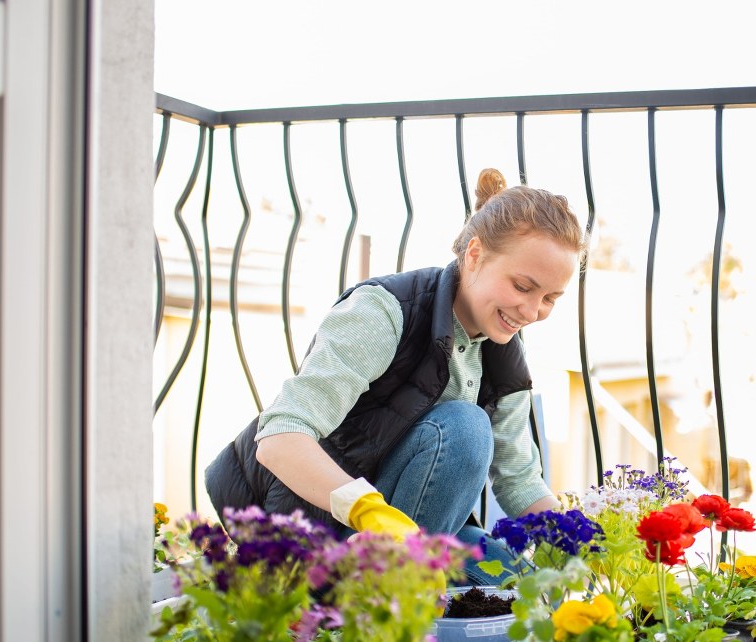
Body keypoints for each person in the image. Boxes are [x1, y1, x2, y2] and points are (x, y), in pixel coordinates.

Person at [204, 167, 586, 585]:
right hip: (317, 522)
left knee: (521, 584)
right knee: (465, 428)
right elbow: (279, 439)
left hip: (410, 525)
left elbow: (520, 482)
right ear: (474, 255)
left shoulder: (504, 357)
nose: (532, 313)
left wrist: (583, 548)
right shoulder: (385, 312)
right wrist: (370, 512)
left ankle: (397, 591)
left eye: (550, 298)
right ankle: (372, 607)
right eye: (522, 286)